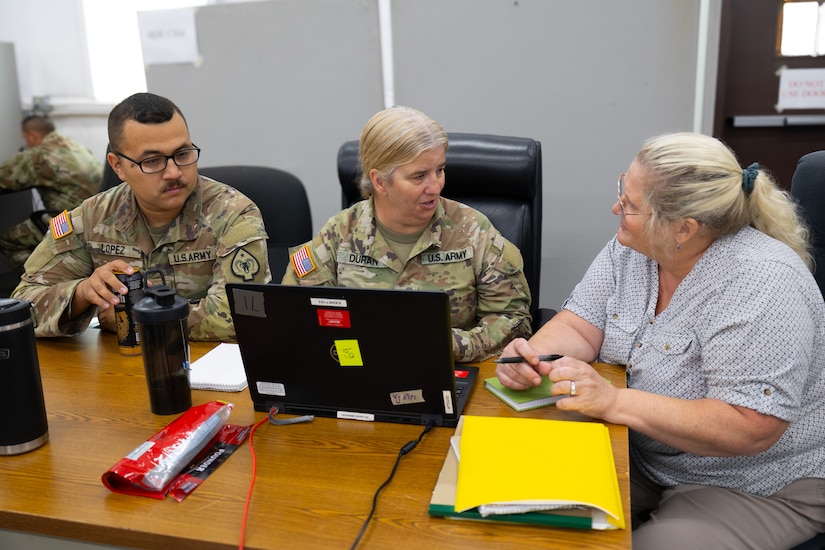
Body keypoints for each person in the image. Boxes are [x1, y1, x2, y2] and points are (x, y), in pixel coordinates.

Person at [496, 132, 825, 549]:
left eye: (630, 205)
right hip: (644, 454)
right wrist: (535, 356)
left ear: (683, 228)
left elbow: (750, 426)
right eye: (622, 190)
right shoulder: (633, 249)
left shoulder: (763, 281)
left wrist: (614, 401)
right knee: (521, 510)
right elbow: (580, 326)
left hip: (755, 482)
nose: (616, 208)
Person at [12, 92, 271, 341]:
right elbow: (22, 308)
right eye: (153, 161)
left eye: (182, 154)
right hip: (117, 370)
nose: (173, 172)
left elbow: (244, 316)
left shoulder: (233, 213)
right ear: (118, 166)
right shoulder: (91, 218)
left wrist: (136, 321)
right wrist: (81, 294)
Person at [282, 106, 532, 362]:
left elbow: (513, 323)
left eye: (440, 170)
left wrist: (443, 344)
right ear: (379, 182)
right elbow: (293, 316)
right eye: (419, 176)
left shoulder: (474, 232)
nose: (435, 186)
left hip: (448, 373)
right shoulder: (340, 233)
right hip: (358, 372)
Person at [0, 115, 102, 269]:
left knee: (8, 240)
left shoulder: (39, 154)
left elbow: (4, 176)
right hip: (94, 215)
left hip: (67, 221)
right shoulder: (77, 147)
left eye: (26, 138)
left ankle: (35, 282)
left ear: (32, 136)